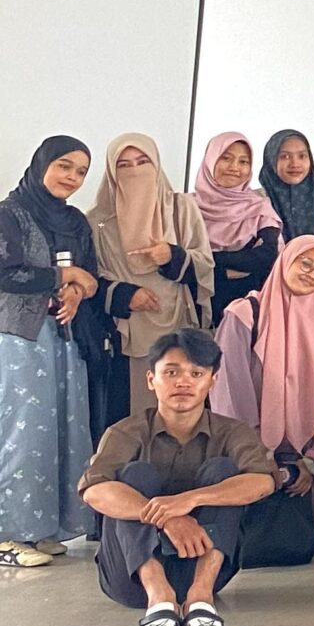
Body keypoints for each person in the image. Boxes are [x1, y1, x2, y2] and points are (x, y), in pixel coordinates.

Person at [0, 138, 151, 567]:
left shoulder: (74, 220)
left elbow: (90, 276)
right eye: (63, 166)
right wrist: (65, 276)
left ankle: (43, 528)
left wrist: (74, 289)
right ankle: (5, 536)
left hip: (63, 333)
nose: (71, 177)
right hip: (14, 335)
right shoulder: (8, 213)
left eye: (81, 171)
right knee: (19, 433)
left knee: (59, 433)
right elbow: (8, 274)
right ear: (41, 165)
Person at [76, 329, 276, 626]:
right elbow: (94, 490)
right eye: (171, 372)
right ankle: (159, 598)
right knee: (134, 475)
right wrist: (167, 517)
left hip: (202, 566)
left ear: (212, 381)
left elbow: (263, 481)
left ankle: (200, 597)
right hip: (130, 578)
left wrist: (190, 500)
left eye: (196, 374)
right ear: (151, 380)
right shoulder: (125, 431)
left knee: (224, 472)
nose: (183, 382)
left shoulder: (232, 432)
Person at [90, 132, 215, 426]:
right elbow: (92, 279)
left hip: (179, 324)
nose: (134, 170)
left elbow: (206, 265)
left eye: (142, 161)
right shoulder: (98, 222)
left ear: (157, 165)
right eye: (124, 165)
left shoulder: (181, 208)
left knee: (183, 410)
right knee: (132, 420)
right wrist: (125, 295)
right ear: (111, 173)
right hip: (127, 332)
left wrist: (172, 256)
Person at [211, 234, 314, 483]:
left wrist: (312, 452)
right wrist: (255, 453)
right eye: (305, 263)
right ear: (286, 260)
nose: (311, 275)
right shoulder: (245, 314)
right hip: (250, 455)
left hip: (301, 457)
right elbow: (229, 389)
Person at [190, 132, 282, 327]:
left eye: (243, 161)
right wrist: (233, 267)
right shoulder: (186, 208)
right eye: (226, 158)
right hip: (192, 312)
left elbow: (266, 256)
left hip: (245, 316)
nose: (234, 167)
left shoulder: (259, 207)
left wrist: (207, 263)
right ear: (210, 160)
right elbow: (179, 264)